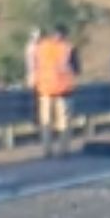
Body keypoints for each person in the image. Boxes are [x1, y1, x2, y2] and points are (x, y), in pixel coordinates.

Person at [34, 24, 80, 159]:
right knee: (64, 123)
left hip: (45, 91)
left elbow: (36, 65)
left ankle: (46, 151)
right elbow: (77, 69)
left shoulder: (41, 47)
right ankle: (63, 151)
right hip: (63, 91)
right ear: (65, 34)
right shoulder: (68, 48)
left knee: (46, 123)